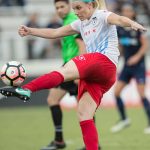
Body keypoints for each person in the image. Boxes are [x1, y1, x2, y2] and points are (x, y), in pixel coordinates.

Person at [0, 0, 146, 149]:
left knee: (65, 70)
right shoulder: (79, 24)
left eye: (78, 8)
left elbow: (120, 19)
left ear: (90, 5)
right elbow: (55, 32)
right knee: (84, 114)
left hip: (103, 61)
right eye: (74, 9)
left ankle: (27, 89)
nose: (76, 12)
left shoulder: (102, 15)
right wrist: (31, 31)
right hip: (103, 77)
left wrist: (131, 23)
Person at [40, 0, 94, 150]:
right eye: (56, 7)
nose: (59, 10)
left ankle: (85, 144)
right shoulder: (66, 21)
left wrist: (80, 72)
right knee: (55, 99)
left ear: (69, 6)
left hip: (75, 68)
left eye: (62, 6)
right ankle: (62, 141)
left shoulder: (74, 21)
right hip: (69, 67)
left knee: (82, 107)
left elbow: (82, 46)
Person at [111, 4, 150, 134]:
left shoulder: (138, 27)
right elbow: (121, 46)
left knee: (142, 95)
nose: (126, 13)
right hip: (127, 66)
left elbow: (145, 46)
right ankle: (124, 120)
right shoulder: (119, 29)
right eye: (124, 11)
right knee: (116, 93)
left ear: (133, 13)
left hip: (139, 66)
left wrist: (137, 57)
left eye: (129, 11)